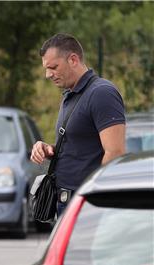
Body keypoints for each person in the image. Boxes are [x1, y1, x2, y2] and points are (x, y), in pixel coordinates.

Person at [31, 33, 126, 216]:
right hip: (66, 202)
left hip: (86, 204)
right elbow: (79, 146)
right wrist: (49, 149)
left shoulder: (102, 93)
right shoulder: (71, 94)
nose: (48, 75)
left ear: (73, 59)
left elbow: (115, 152)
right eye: (46, 68)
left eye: (53, 67)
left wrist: (93, 198)